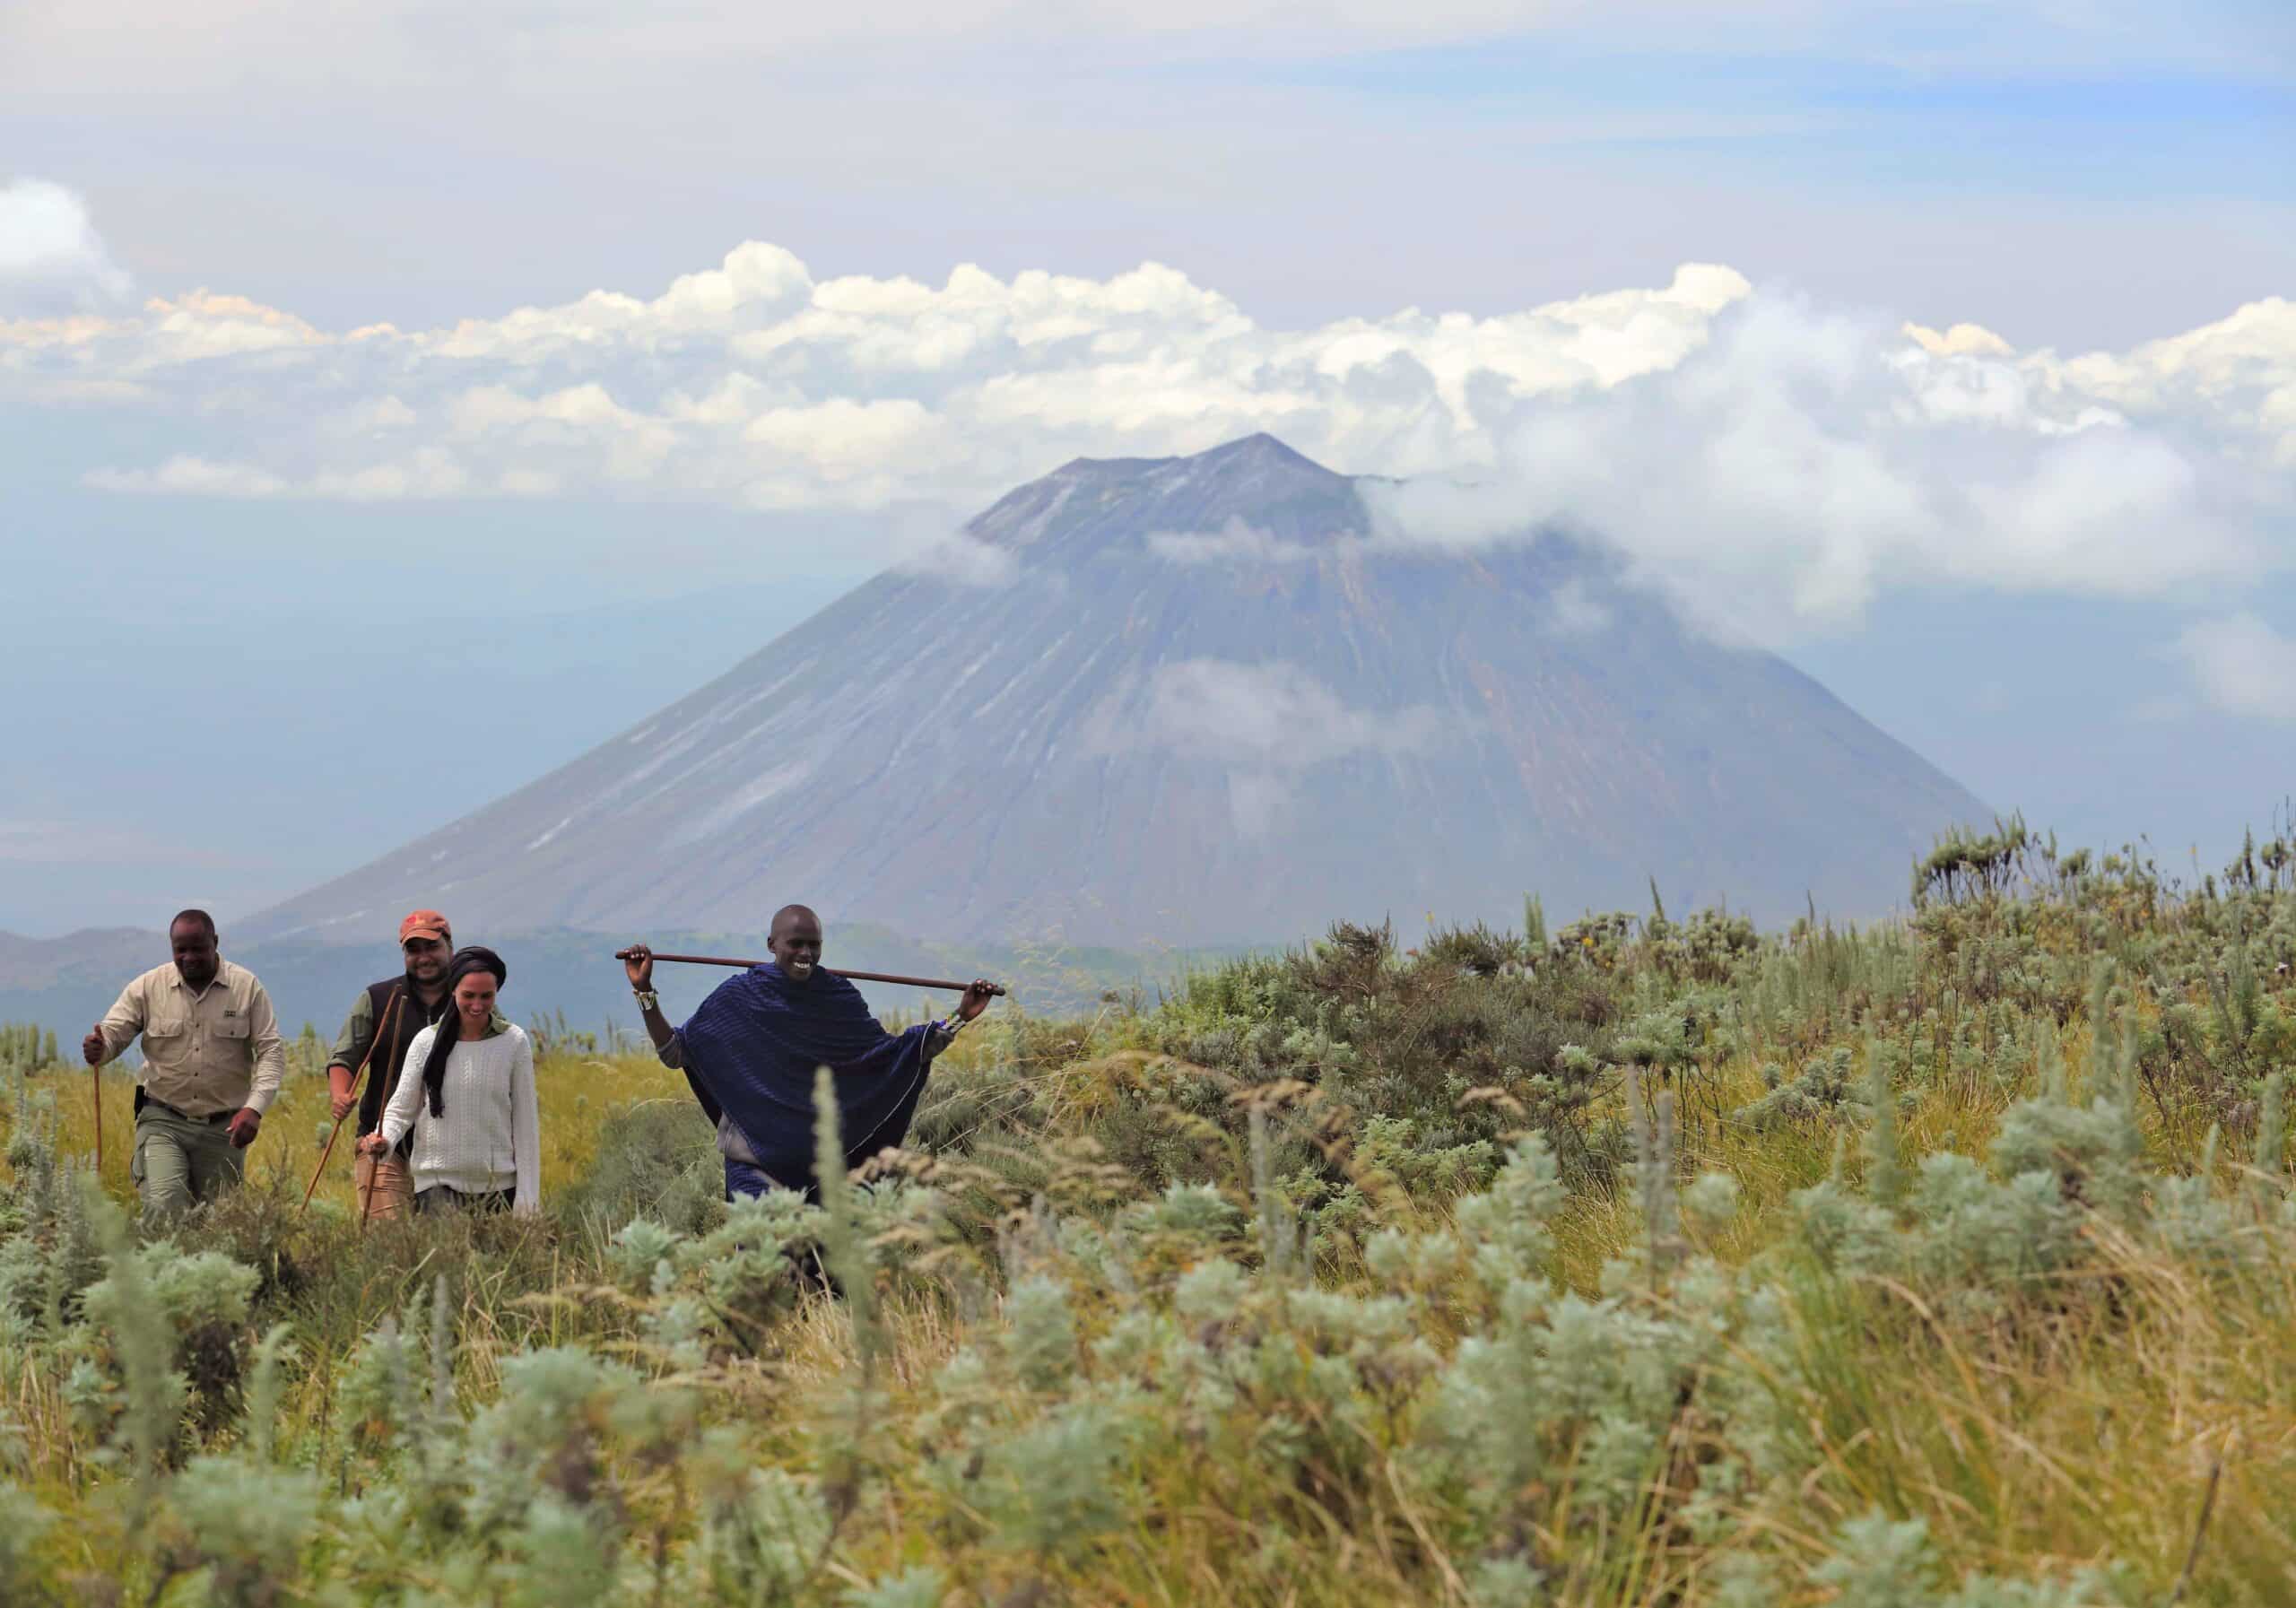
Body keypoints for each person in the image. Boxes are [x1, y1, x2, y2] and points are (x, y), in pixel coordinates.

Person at [623, 906, 996, 1201]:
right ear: (771, 944)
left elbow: (893, 1055)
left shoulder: (838, 999)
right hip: (755, 1170)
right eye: (795, 943)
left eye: (813, 945)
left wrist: (959, 1017)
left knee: (825, 1288)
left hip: (827, 1176)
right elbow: (675, 1052)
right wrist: (645, 991)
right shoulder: (738, 999)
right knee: (764, 1278)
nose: (805, 953)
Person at [83, 909, 285, 1218]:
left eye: (198, 948)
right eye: (181, 950)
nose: (189, 957)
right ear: (171, 948)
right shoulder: (148, 987)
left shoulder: (247, 988)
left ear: (215, 943)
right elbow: (113, 1034)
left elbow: (271, 1051)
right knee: (165, 1209)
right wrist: (100, 1047)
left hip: (224, 1129)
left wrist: (254, 1108)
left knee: (220, 1225)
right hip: (163, 1120)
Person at [359, 946, 539, 1217]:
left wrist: (528, 1201)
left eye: (486, 996)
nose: (477, 1006)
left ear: (496, 993)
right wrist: (384, 1139)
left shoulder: (514, 1042)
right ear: (453, 990)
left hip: (499, 1189)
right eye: (468, 995)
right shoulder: (425, 1043)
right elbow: (401, 1109)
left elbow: (526, 1126)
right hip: (435, 1186)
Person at [325, 908, 457, 1221]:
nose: (423, 957)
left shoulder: (469, 998)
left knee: (444, 1246)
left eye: (431, 947)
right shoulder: (378, 998)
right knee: (388, 1242)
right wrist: (339, 1095)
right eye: (413, 949)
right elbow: (344, 1057)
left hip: (452, 1149)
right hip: (381, 1142)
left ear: (449, 946)